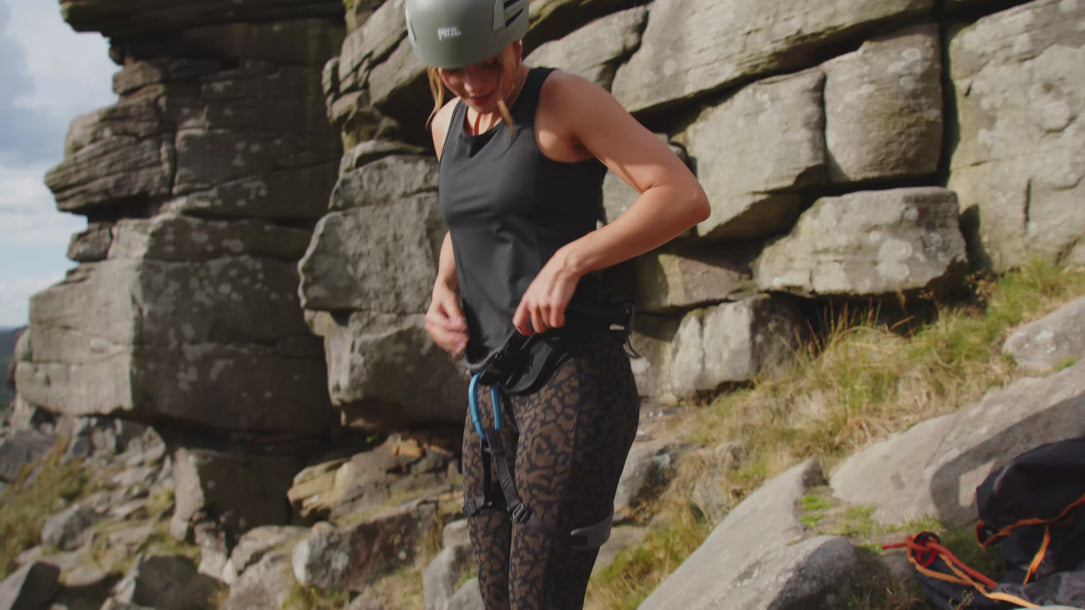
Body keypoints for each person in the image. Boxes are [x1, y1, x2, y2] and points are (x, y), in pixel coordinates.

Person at [405, 0, 710, 607]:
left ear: (515, 41)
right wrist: (443, 287)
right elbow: (473, 217)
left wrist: (573, 260)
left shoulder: (562, 100)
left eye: (487, 64)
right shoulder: (447, 124)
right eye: (453, 70)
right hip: (490, 395)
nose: (472, 83)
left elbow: (682, 195)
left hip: (574, 380)